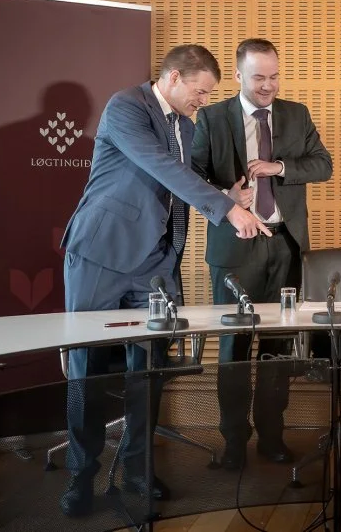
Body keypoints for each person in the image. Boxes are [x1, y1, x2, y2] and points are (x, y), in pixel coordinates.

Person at [59, 44, 270, 517]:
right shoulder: (126, 107)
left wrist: (224, 194)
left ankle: (138, 468)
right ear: (174, 77)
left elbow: (177, 183)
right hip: (101, 254)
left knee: (149, 371)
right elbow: (161, 167)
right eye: (201, 91)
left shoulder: (187, 124)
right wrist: (227, 210)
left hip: (155, 262)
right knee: (87, 370)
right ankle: (81, 475)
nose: (204, 101)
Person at [191, 38, 333, 470]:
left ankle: (272, 437)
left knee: (278, 349)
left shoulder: (296, 114)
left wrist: (280, 167)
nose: (268, 86)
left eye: (274, 77)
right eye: (258, 78)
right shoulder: (212, 117)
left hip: (285, 246)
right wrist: (225, 197)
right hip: (234, 248)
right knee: (233, 349)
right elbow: (190, 176)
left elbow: (323, 165)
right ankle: (234, 442)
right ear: (238, 76)